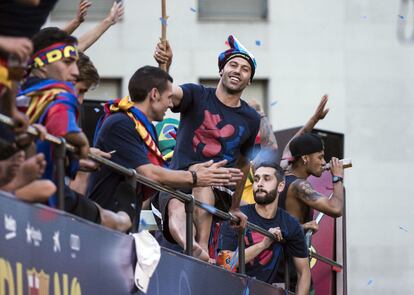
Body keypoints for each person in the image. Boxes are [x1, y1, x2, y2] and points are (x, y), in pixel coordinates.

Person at [87, 65, 242, 235]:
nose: (170, 104)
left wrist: (192, 169)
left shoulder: (146, 128)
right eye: (169, 98)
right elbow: (149, 174)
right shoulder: (121, 123)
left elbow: (155, 174)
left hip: (122, 226)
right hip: (101, 226)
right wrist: (196, 177)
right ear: (154, 94)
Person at [153, 35, 261, 261]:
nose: (237, 71)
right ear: (221, 70)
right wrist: (166, 65)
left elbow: (243, 163)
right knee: (175, 207)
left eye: (245, 69)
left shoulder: (251, 118)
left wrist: (234, 207)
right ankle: (193, 248)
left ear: (249, 79)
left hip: (218, 188)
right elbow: (170, 94)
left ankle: (202, 247)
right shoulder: (197, 94)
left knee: (205, 182)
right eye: (233, 64)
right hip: (178, 178)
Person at [218, 162, 311, 295]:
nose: (259, 184)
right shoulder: (237, 216)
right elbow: (224, 262)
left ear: (280, 186)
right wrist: (263, 244)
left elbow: (304, 273)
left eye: (266, 178)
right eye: (256, 179)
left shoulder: (290, 224)